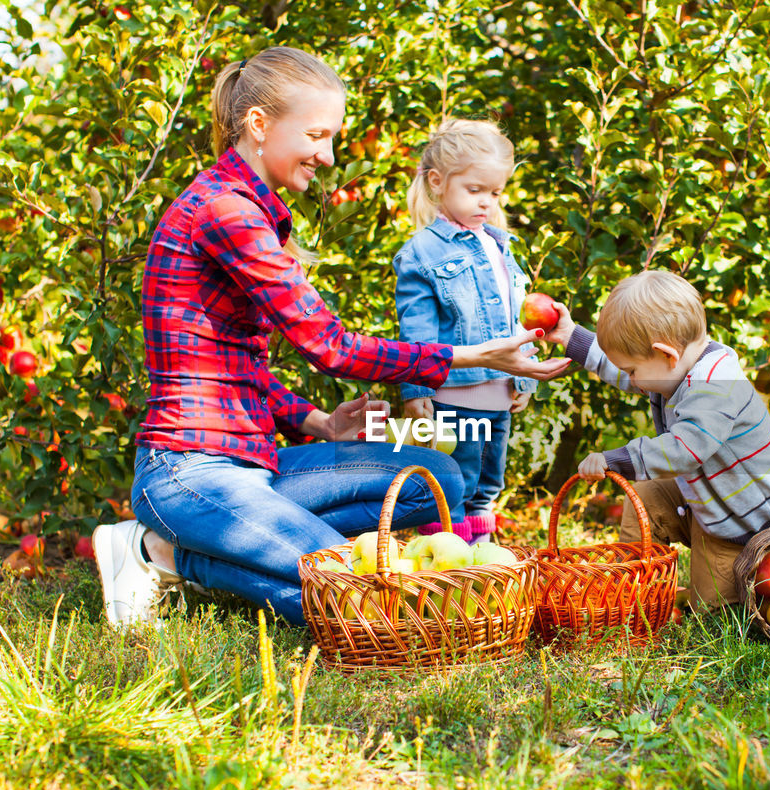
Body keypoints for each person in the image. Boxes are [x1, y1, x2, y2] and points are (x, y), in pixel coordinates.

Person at [91, 47, 568, 629]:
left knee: (438, 479)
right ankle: (162, 551)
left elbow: (238, 369)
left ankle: (161, 552)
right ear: (259, 124)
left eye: (333, 136)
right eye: (317, 134)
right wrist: (472, 356)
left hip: (253, 463)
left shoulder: (251, 210)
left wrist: (318, 423)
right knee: (365, 599)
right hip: (189, 471)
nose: (329, 154)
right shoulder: (226, 212)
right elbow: (329, 345)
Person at [543, 270, 770, 609]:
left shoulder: (715, 385)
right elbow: (622, 364)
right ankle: (631, 590)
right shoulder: (672, 367)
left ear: (667, 355)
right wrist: (571, 336)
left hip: (740, 526)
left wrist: (614, 459)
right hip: (706, 498)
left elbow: (685, 450)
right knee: (646, 496)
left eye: (634, 371)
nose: (631, 379)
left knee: (712, 611)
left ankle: (708, 596)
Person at [393, 119, 535, 545]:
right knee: (453, 482)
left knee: (489, 483)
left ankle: (478, 558)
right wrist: (416, 390)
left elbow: (517, 316)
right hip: (453, 395)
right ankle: (445, 559)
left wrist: (523, 376)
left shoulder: (500, 243)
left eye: (495, 193)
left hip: (500, 393)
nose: (487, 203)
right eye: (475, 191)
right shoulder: (422, 252)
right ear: (438, 182)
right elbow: (417, 328)